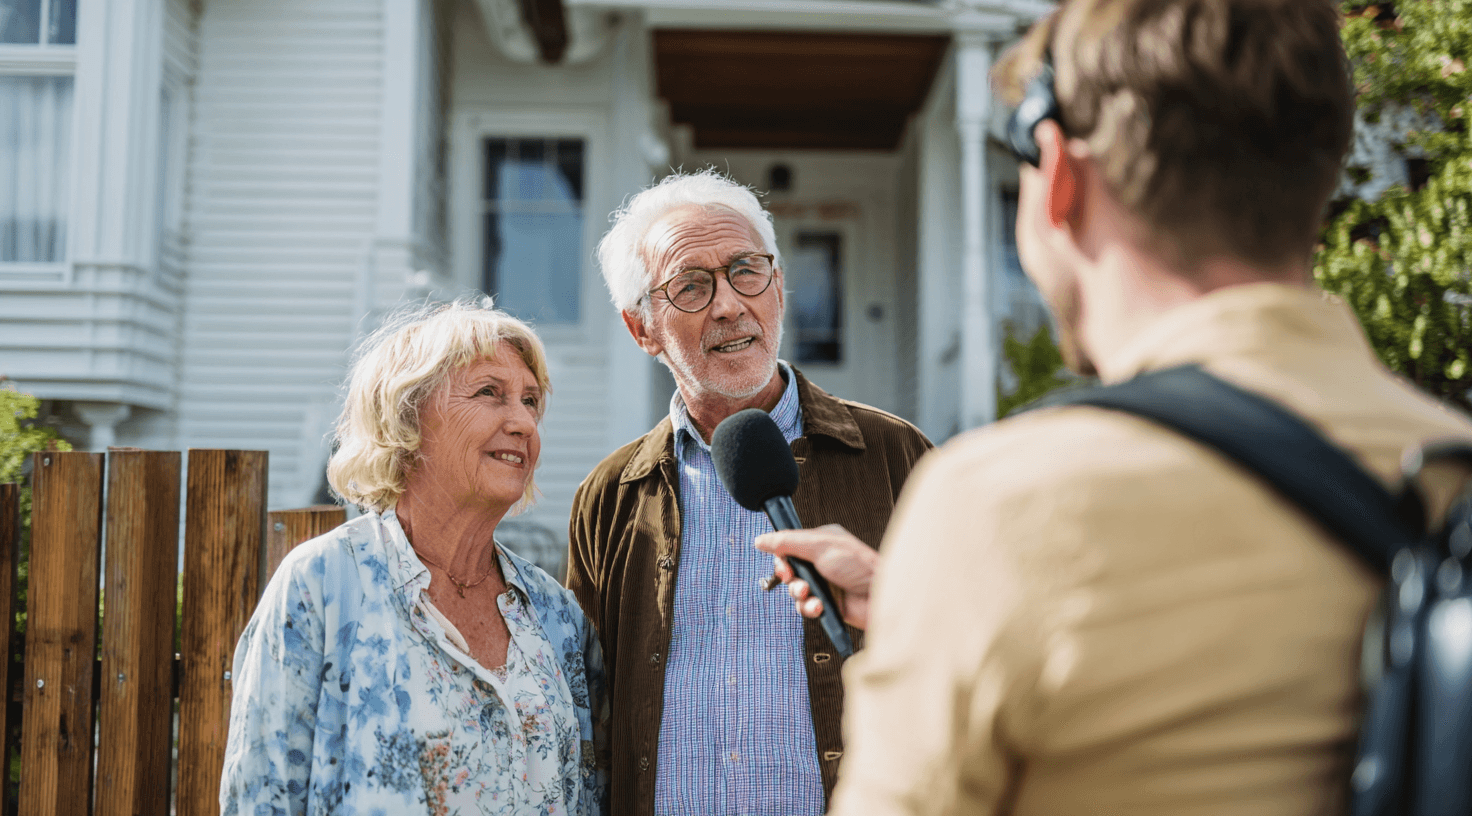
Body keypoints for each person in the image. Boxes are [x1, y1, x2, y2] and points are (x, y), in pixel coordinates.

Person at [757, 1, 1472, 813]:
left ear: (1059, 173)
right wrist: (928, 610)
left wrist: (959, 599)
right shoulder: (1453, 462)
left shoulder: (1004, 507)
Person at [565, 169, 932, 815]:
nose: (730, 304)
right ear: (641, 328)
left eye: (746, 271)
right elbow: (584, 709)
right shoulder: (611, 496)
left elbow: (977, 661)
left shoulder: (898, 458)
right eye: (691, 286)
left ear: (779, 288)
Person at [220, 299, 608, 816]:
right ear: (407, 416)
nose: (522, 421)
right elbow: (261, 798)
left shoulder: (556, 614)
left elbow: (588, 796)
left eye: (531, 401)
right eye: (490, 393)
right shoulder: (324, 583)